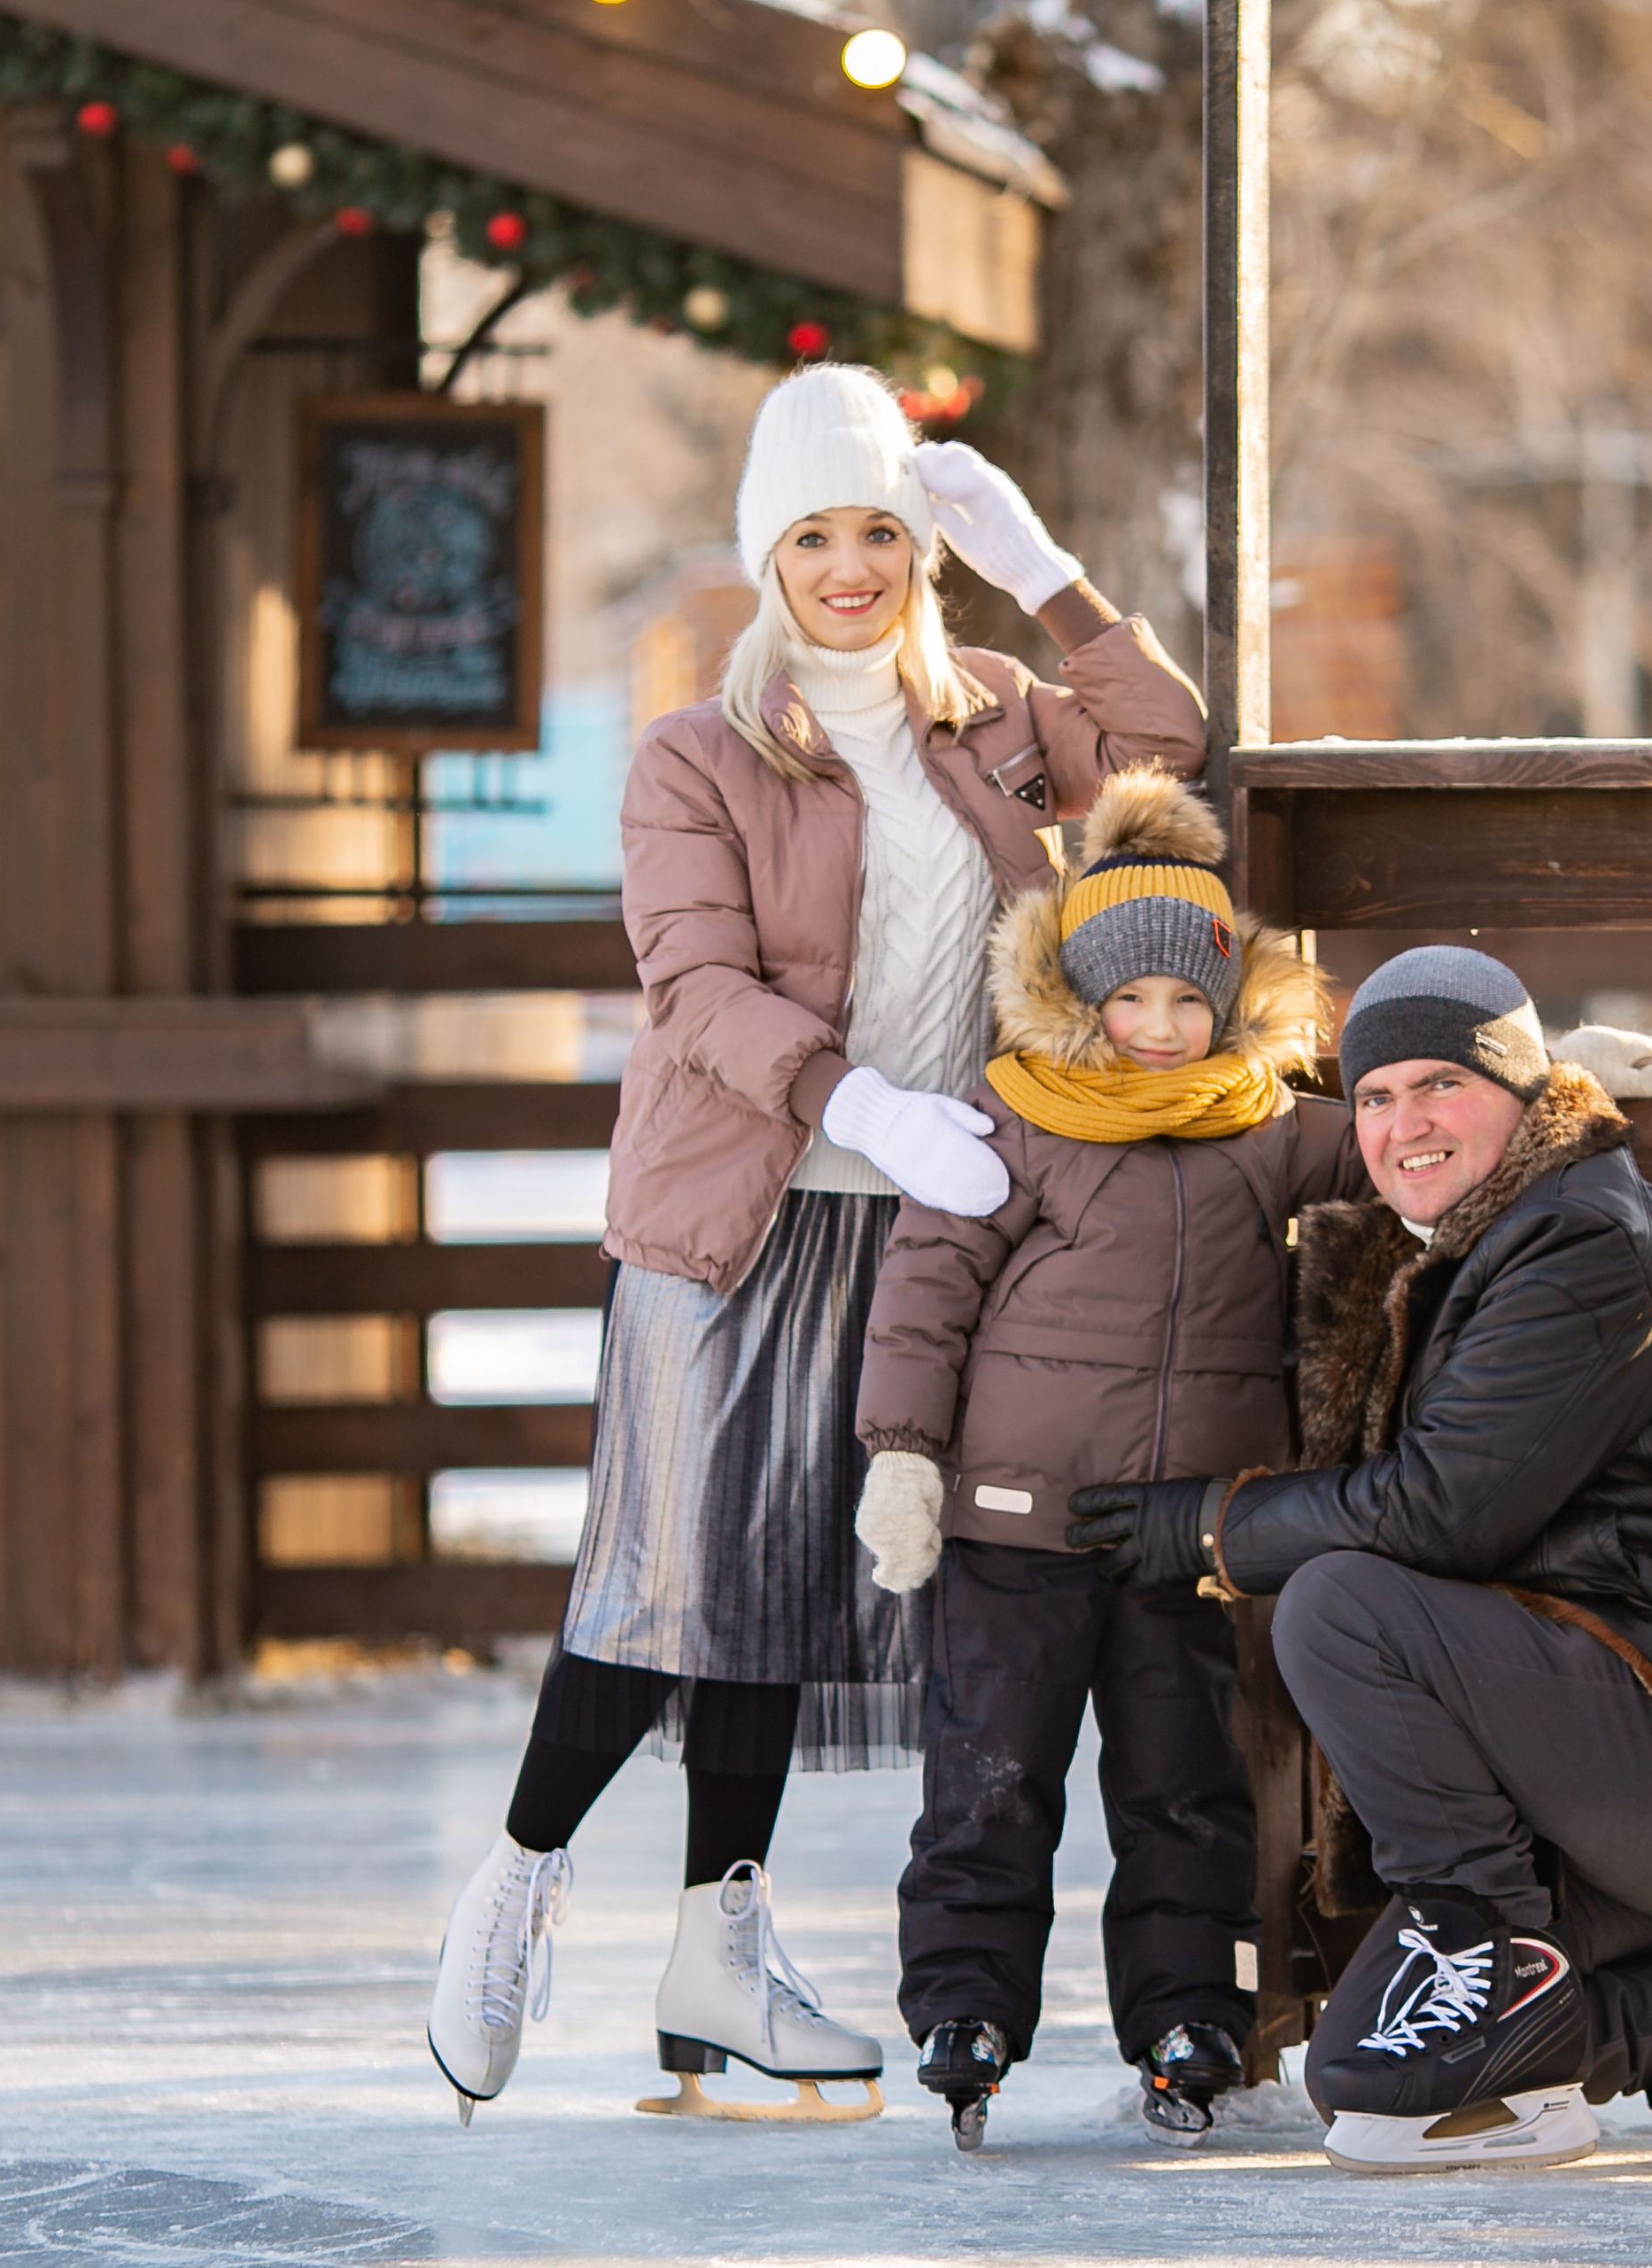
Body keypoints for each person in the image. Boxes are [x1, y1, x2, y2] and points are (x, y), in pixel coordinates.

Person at [426, 364, 1208, 2125]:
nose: (848, 564)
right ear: (763, 554)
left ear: (922, 546)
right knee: (670, 1579)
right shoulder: (696, 754)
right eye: (812, 534)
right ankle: (516, 1882)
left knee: (779, 1594)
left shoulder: (997, 714)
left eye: (879, 528)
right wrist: (862, 1105)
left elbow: (1165, 750)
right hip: (736, 1217)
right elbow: (693, 986)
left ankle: (719, 1952)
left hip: (920, 1231)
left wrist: (1052, 573)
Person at [1066, 945, 1652, 2174]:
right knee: (1365, 2085)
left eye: (1440, 1082)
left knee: (1340, 1604)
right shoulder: (1481, 1240)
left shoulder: (1586, 1242)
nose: (1405, 1124)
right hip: (1598, 1759)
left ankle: (1490, 1944)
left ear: (1522, 1088)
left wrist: (1213, 1529)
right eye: (1377, 1097)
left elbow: (1445, 1513)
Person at [852, 827, 1652, 2151]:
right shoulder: (1015, 1120)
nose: (1163, 1028)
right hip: (1012, 1518)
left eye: (1191, 1001)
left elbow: (1409, 1149)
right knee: (990, 1773)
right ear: (1079, 999)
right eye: (1131, 1000)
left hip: (1185, 1530)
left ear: (1230, 1004)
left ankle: (1191, 2012)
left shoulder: (1260, 1126)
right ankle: (967, 2005)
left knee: (1185, 1783)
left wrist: (1553, 1077)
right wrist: (902, 1451)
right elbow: (928, 1288)